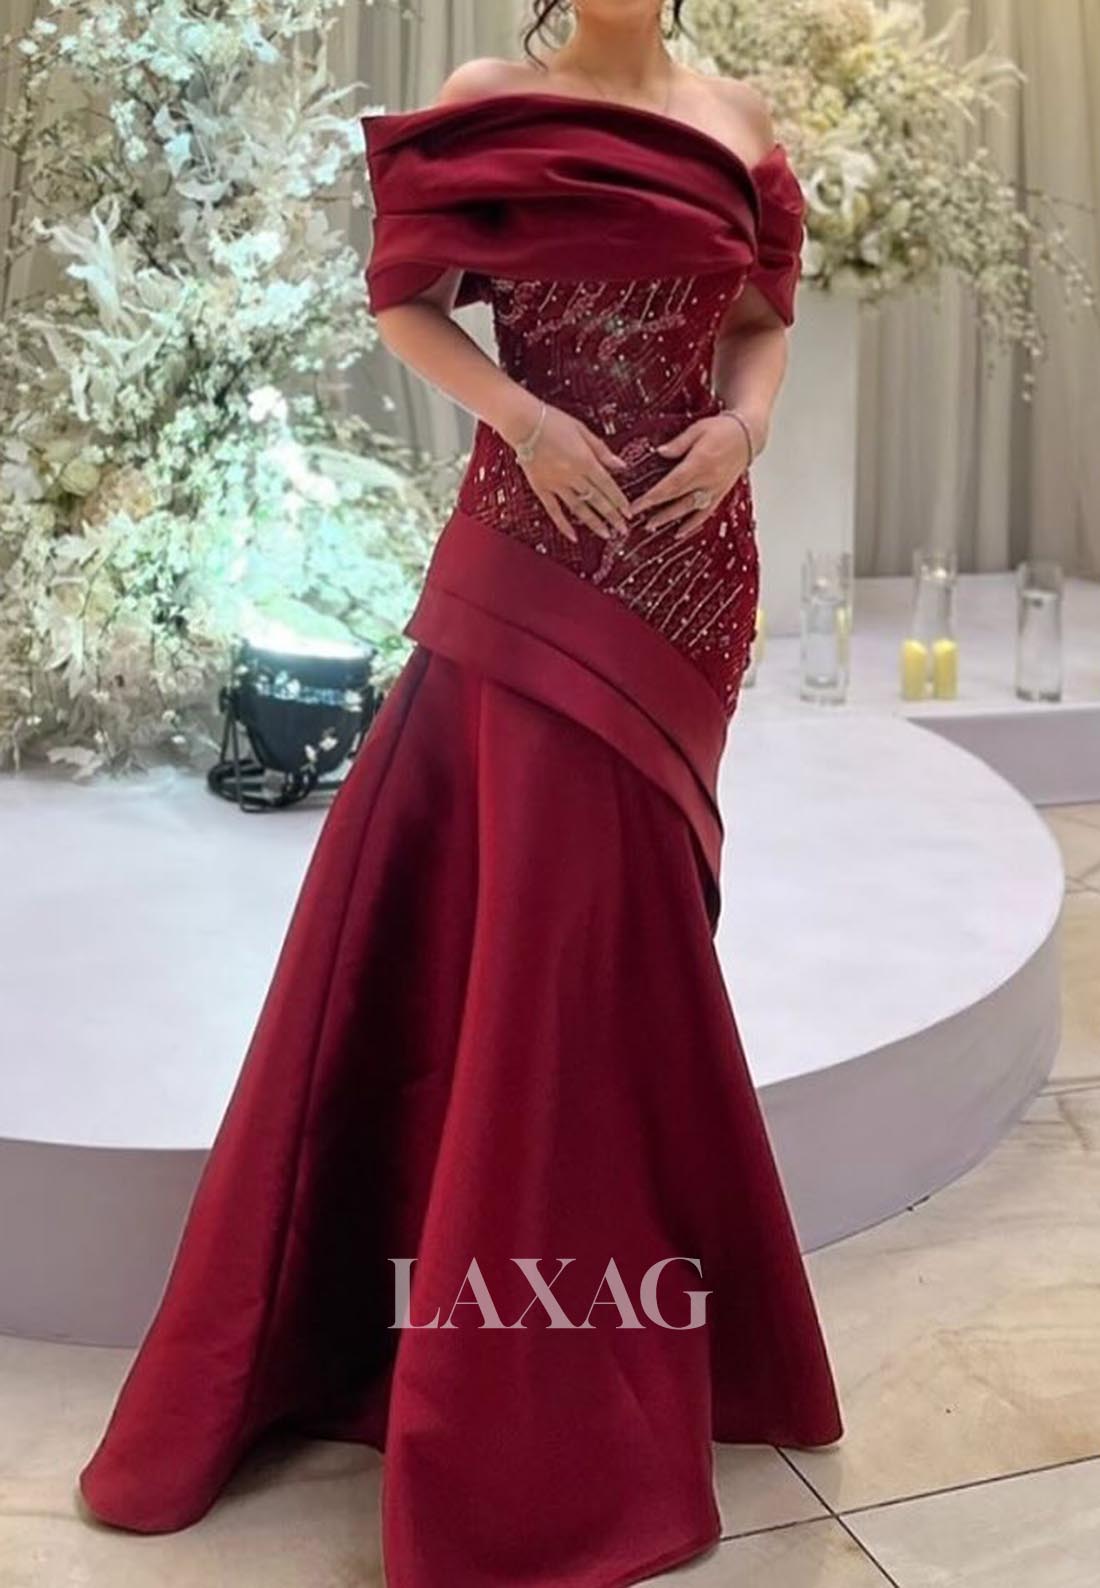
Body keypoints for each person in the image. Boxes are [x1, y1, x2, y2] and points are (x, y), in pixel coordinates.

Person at [77, 3, 844, 1584]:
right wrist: (524, 414)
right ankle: (513, 1388)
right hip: (532, 545)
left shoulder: (737, 110)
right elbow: (405, 303)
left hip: (691, 570)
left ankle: (617, 1323)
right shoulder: (494, 95)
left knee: (626, 936)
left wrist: (745, 427)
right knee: (533, 937)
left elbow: (761, 316)